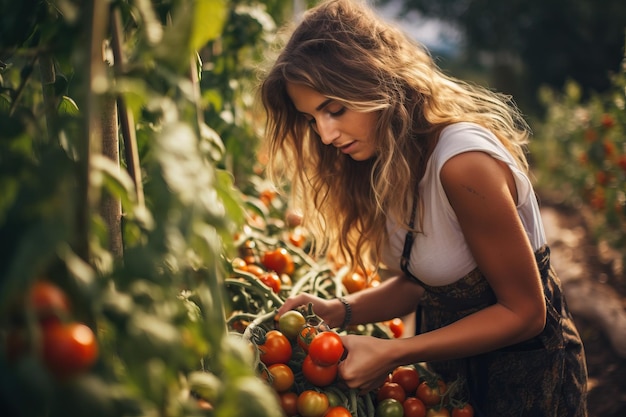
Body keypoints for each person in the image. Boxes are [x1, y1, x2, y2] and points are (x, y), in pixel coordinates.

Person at [259, 0, 588, 415]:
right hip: (453, 381)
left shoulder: (462, 164)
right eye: (312, 119)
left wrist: (395, 352)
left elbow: (525, 313)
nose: (325, 134)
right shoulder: (393, 164)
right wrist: (339, 310)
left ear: (377, 81)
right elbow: (427, 281)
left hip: (526, 386)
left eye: (335, 109)